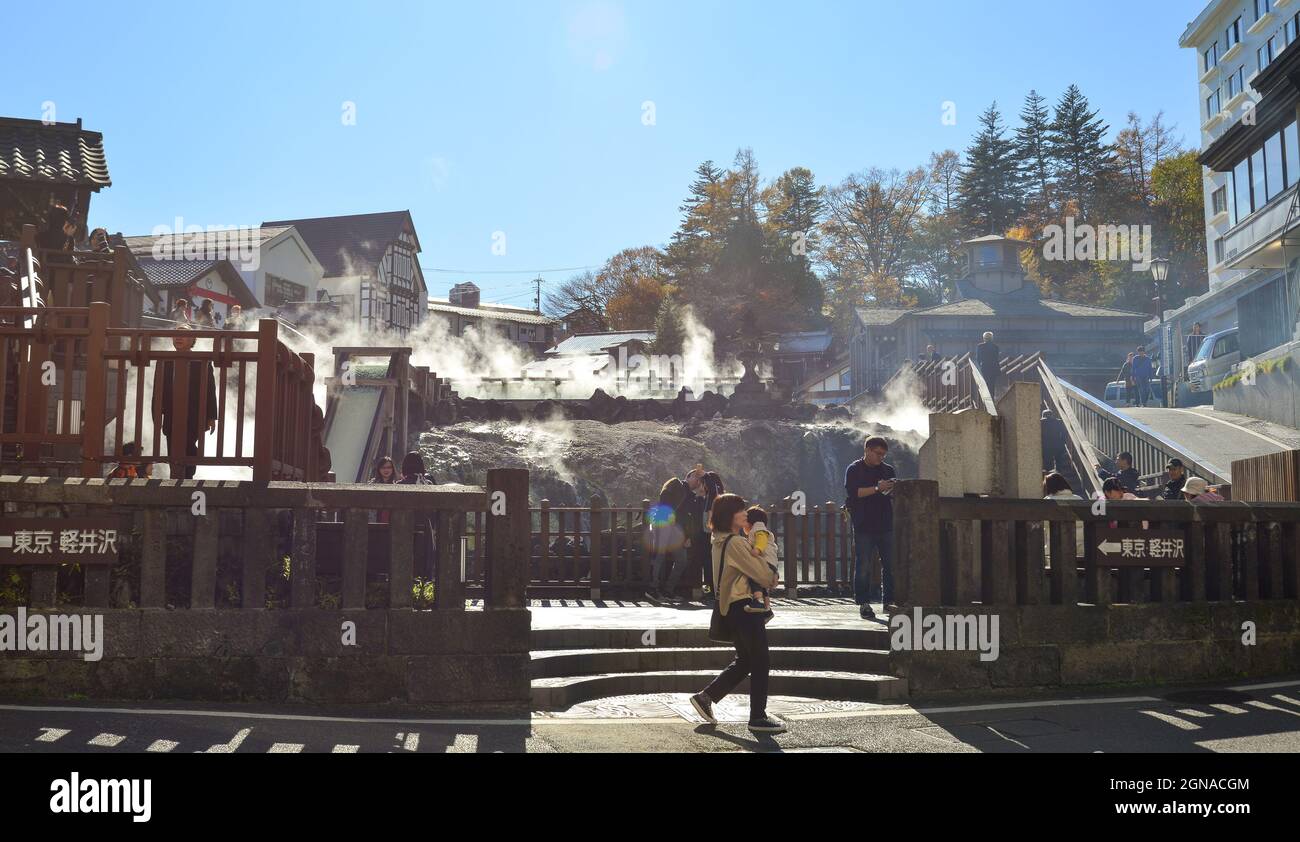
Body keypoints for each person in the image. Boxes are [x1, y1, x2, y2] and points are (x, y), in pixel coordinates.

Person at [689, 493, 784, 734]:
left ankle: (706, 697)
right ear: (729, 515)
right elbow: (762, 575)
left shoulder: (719, 540)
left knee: (745, 660)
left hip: (731, 607)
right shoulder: (736, 543)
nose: (745, 514)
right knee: (761, 659)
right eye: (741, 511)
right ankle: (758, 717)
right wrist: (771, 575)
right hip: (745, 607)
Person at [151, 325, 218, 479]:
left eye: (183, 335)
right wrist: (156, 412)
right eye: (175, 335)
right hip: (171, 412)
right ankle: (177, 476)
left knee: (189, 445)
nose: (178, 337)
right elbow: (158, 389)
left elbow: (210, 389)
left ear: (193, 339)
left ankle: (188, 476)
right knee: (172, 446)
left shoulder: (202, 360)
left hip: (194, 412)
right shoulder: (165, 361)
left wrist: (211, 416)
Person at [844, 436, 897, 621]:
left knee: (890, 566)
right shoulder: (854, 469)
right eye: (878, 454)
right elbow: (854, 492)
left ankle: (889, 601)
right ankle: (864, 603)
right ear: (867, 450)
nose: (881, 458)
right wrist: (877, 487)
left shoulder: (888, 469)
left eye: (884, 455)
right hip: (863, 525)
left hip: (886, 524)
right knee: (863, 565)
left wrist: (890, 489)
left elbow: (891, 492)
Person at [648, 476, 691, 600]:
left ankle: (666, 590)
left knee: (679, 559)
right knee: (660, 557)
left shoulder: (675, 488)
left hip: (673, 529)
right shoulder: (676, 488)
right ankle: (654, 588)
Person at [743, 506, 780, 614]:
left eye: (745, 521)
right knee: (764, 587)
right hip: (771, 563)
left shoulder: (758, 528)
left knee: (754, 578)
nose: (743, 525)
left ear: (751, 521)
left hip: (766, 561)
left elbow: (761, 540)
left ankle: (757, 600)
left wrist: (757, 549)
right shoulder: (759, 529)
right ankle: (767, 609)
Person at [1041, 409, 1068, 473]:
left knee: (1047, 465)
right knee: (1059, 464)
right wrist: (1063, 442)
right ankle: (1058, 475)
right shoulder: (1059, 422)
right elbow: (1064, 434)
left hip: (1046, 446)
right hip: (1058, 445)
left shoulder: (1041, 422)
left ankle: (1048, 478)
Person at [976, 331, 1001, 397]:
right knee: (992, 385)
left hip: (985, 368)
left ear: (984, 338)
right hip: (994, 369)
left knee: (985, 383)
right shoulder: (996, 347)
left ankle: (986, 398)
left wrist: (980, 366)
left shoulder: (980, 346)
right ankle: (992, 398)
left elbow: (978, 359)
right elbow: (996, 359)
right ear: (992, 338)